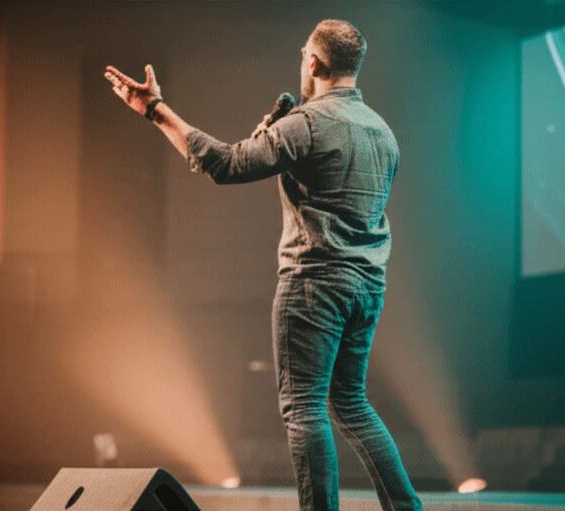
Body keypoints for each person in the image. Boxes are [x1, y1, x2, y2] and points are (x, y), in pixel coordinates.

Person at [105, 19, 422, 511]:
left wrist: (154, 108)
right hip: (367, 286)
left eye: (303, 57)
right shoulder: (384, 134)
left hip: (314, 283)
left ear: (313, 63)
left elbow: (224, 164)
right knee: (352, 403)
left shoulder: (307, 123)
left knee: (304, 408)